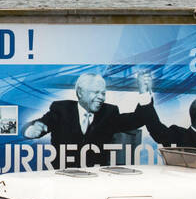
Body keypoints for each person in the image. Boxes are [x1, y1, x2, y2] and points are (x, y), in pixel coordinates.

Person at [23, 72, 152, 168]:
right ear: (80, 93)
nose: (101, 97)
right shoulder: (61, 109)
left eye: (103, 93)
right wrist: (32, 130)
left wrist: (144, 92)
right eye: (96, 92)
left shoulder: (109, 112)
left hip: (94, 183)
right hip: (61, 179)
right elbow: (43, 123)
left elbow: (137, 119)